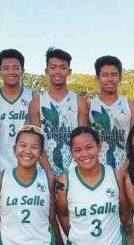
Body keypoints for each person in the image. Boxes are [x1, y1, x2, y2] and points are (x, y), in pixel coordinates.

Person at [89, 55, 134, 245]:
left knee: (127, 224)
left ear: (120, 77)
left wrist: (125, 169)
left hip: (125, 170)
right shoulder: (89, 107)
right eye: (104, 74)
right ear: (97, 77)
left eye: (114, 74)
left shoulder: (130, 106)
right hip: (99, 174)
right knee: (100, 225)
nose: (109, 79)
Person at [28, 47, 89, 177]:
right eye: (53, 67)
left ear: (69, 71)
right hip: (44, 171)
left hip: (74, 170)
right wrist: (48, 171)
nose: (58, 71)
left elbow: (83, 140)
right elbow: (36, 141)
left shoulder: (80, 102)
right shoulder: (37, 103)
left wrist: (72, 172)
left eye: (62, 67)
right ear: (46, 71)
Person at [0, 49, 33, 172]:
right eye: (6, 68)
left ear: (22, 71)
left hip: (28, 167)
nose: (11, 72)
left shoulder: (33, 97)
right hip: (1, 168)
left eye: (15, 67)